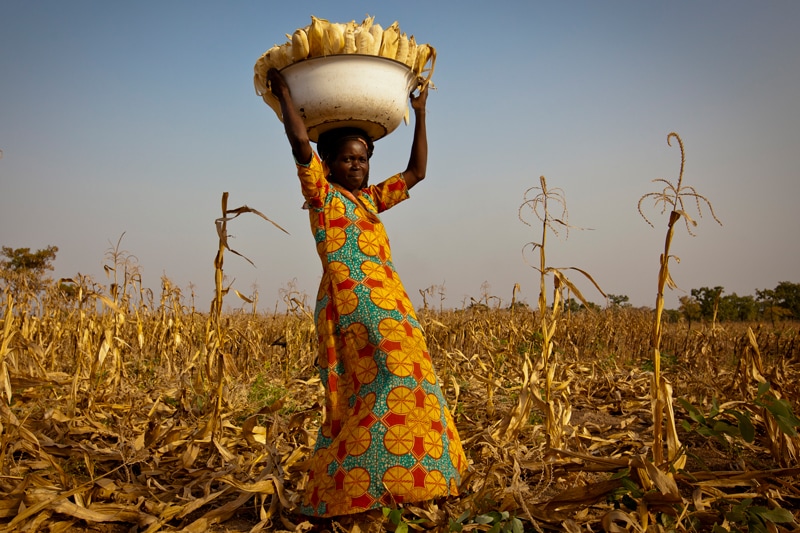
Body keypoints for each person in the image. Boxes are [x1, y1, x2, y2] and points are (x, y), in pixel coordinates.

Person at [267, 67, 468, 518]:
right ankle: (355, 483)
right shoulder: (323, 196)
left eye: (363, 159)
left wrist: (420, 111)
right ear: (329, 164)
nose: (357, 166)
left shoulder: (371, 200)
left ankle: (419, 479)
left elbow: (417, 172)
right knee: (382, 383)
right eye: (347, 159)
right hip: (352, 305)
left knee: (417, 380)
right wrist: (284, 96)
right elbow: (301, 147)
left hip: (394, 303)